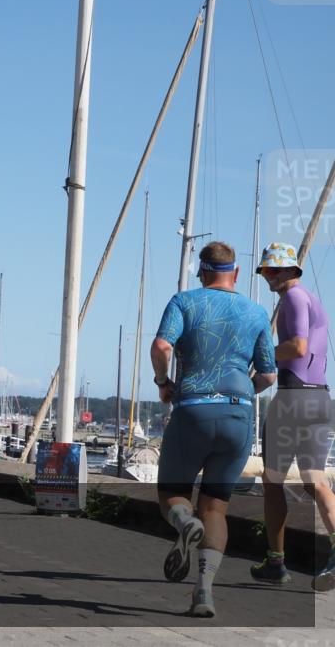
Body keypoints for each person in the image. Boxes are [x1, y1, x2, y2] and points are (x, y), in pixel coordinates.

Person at [151, 241, 276, 618]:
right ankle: (203, 593)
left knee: (171, 494)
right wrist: (240, 394)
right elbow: (268, 374)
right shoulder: (256, 311)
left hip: (193, 410)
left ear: (202, 272)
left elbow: (161, 346)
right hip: (238, 416)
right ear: (236, 274)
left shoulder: (184, 302)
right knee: (216, 507)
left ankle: (184, 522)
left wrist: (163, 382)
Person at [250, 242, 334, 591]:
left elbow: (297, 347)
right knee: (315, 481)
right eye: (265, 271)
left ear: (287, 271)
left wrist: (260, 353)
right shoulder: (312, 299)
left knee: (272, 481)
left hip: (293, 398)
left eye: (271, 270)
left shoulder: (294, 298)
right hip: (319, 397)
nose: (267, 276)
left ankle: (276, 560)